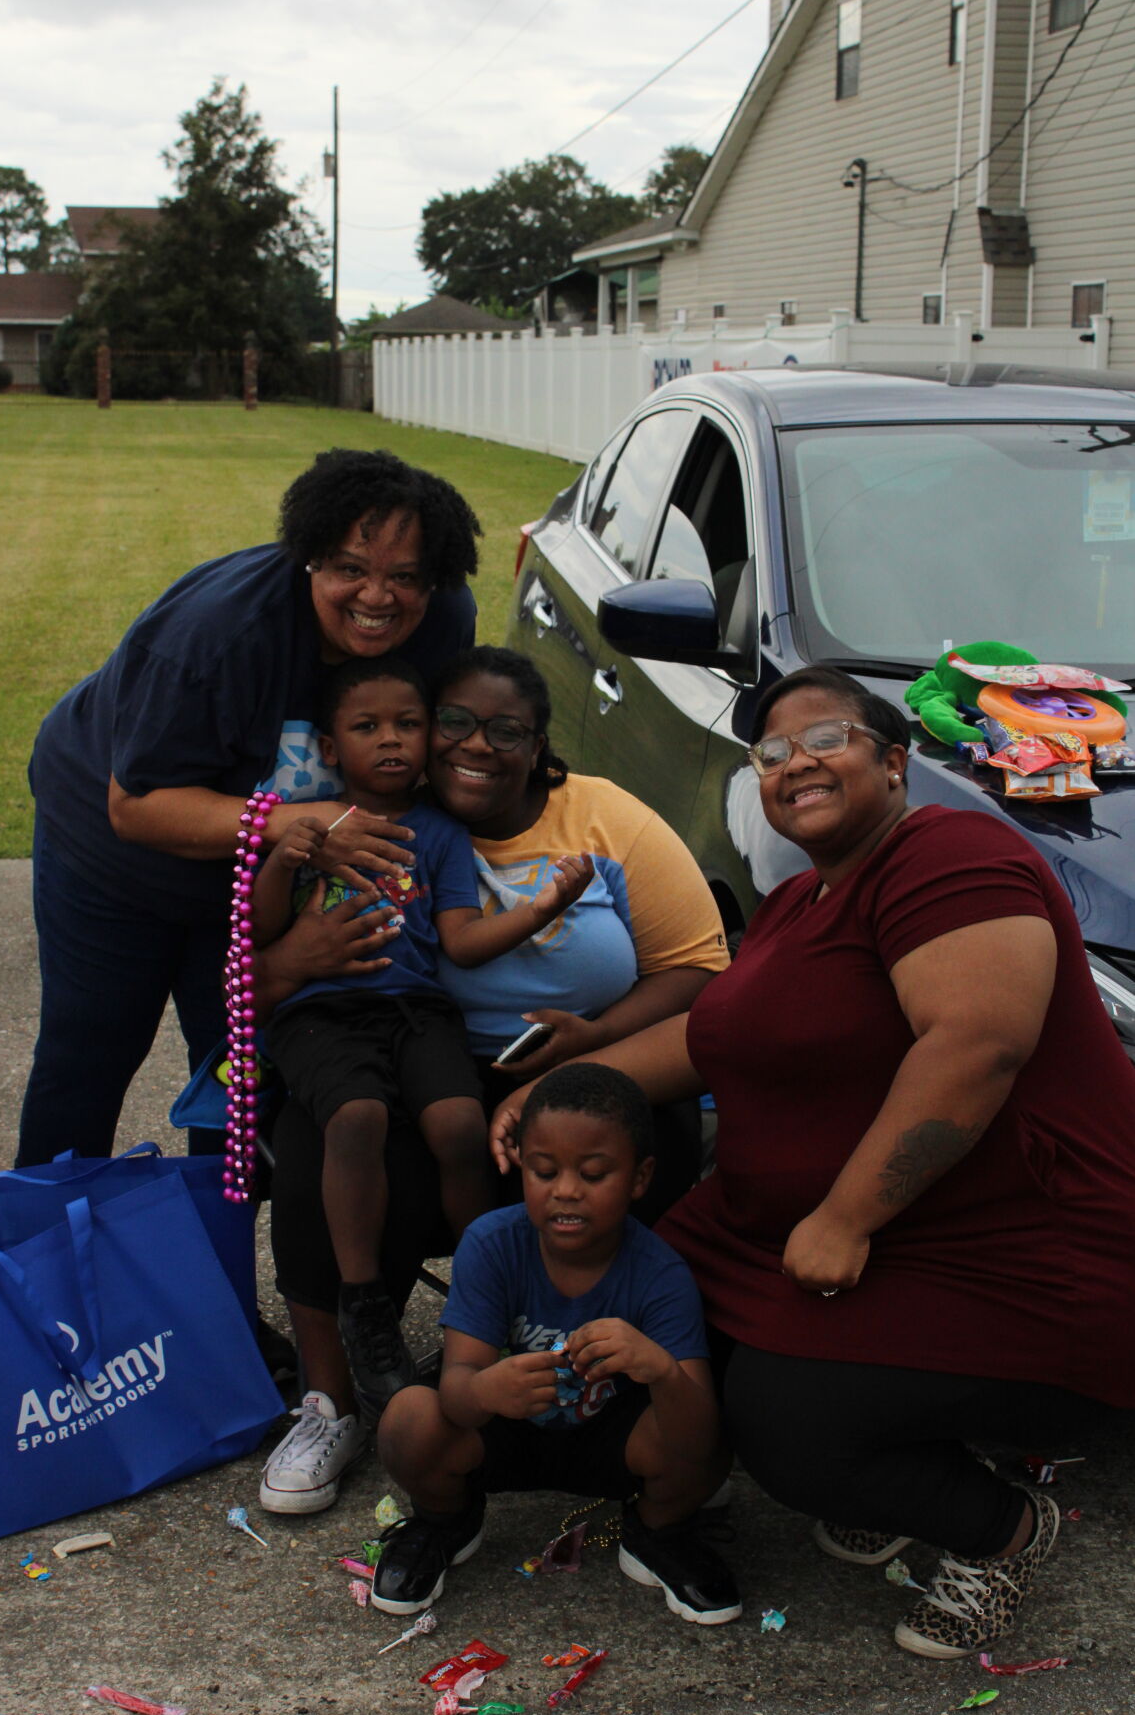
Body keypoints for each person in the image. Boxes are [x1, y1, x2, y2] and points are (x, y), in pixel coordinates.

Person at [491, 664, 1135, 1660]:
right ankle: (893, 1462)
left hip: (1016, 1247)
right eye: (771, 753)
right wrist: (565, 1087)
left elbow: (976, 1044)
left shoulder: (950, 855)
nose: (793, 762)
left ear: (892, 761)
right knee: (652, 1308)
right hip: (821, 1230)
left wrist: (842, 1218)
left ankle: (997, 1529)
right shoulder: (797, 904)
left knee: (785, 1420)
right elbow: (711, 1039)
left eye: (823, 736)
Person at [257, 646, 730, 1515]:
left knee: (631, 1134)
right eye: (455, 724)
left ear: (540, 744)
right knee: (319, 1129)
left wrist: (594, 1040)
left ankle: (605, 1368)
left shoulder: (604, 818)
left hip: (582, 1061)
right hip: (419, 1051)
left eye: (505, 730)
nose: (476, 746)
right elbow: (262, 970)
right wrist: (293, 944)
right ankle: (337, 1400)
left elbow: (700, 967)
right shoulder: (383, 818)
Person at [17, 448, 480, 1169]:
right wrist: (290, 821)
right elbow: (135, 805)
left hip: (265, 875)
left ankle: (209, 1250)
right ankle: (39, 1256)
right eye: (350, 568)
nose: (377, 596)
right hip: (113, 855)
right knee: (92, 1047)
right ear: (309, 558)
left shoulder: (443, 620)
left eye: (404, 577)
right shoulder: (217, 633)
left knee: (240, 1071)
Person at [252, 655, 592, 1417]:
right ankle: (365, 1303)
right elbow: (262, 933)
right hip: (322, 1014)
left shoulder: (439, 829)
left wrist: (542, 907)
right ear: (331, 747)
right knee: (357, 1117)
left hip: (414, 1007)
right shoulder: (310, 825)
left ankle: (484, 1294)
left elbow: (461, 941)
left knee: (459, 1123)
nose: (393, 741)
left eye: (408, 723)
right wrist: (284, 857)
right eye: (367, 727)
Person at [370, 1062, 741, 1625]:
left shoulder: (660, 1271)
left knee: (711, 1431)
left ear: (639, 1179)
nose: (566, 1191)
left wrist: (660, 1370)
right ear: (521, 1166)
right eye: (544, 1171)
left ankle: (656, 1531)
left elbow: (698, 1437)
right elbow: (455, 1394)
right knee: (408, 1416)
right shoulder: (492, 1244)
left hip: (615, 1442)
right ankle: (446, 1521)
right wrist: (487, 1388)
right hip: (507, 1433)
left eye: (593, 1174)